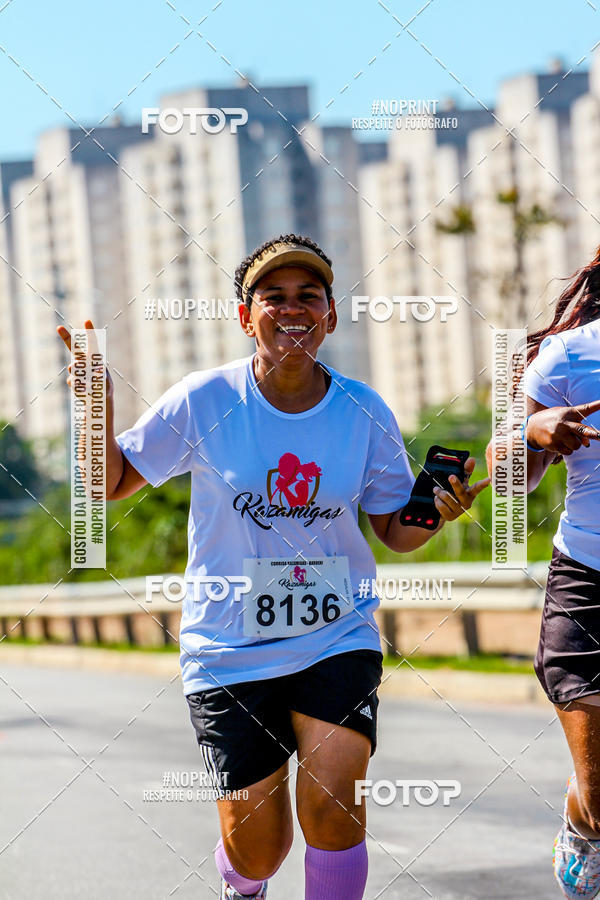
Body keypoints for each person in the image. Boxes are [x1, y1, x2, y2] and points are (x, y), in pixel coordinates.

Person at [59, 233, 489, 900]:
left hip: (335, 634)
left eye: (308, 297)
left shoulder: (364, 410)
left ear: (330, 315)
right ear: (244, 315)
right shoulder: (204, 400)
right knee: (262, 851)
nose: (293, 310)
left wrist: (438, 511)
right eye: (274, 297)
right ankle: (242, 882)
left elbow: (391, 530)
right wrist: (94, 405)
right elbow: (109, 482)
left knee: (334, 809)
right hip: (229, 648)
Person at [486, 245, 600, 899]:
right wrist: (532, 431)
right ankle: (584, 812)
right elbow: (505, 479)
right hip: (590, 583)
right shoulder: (570, 356)